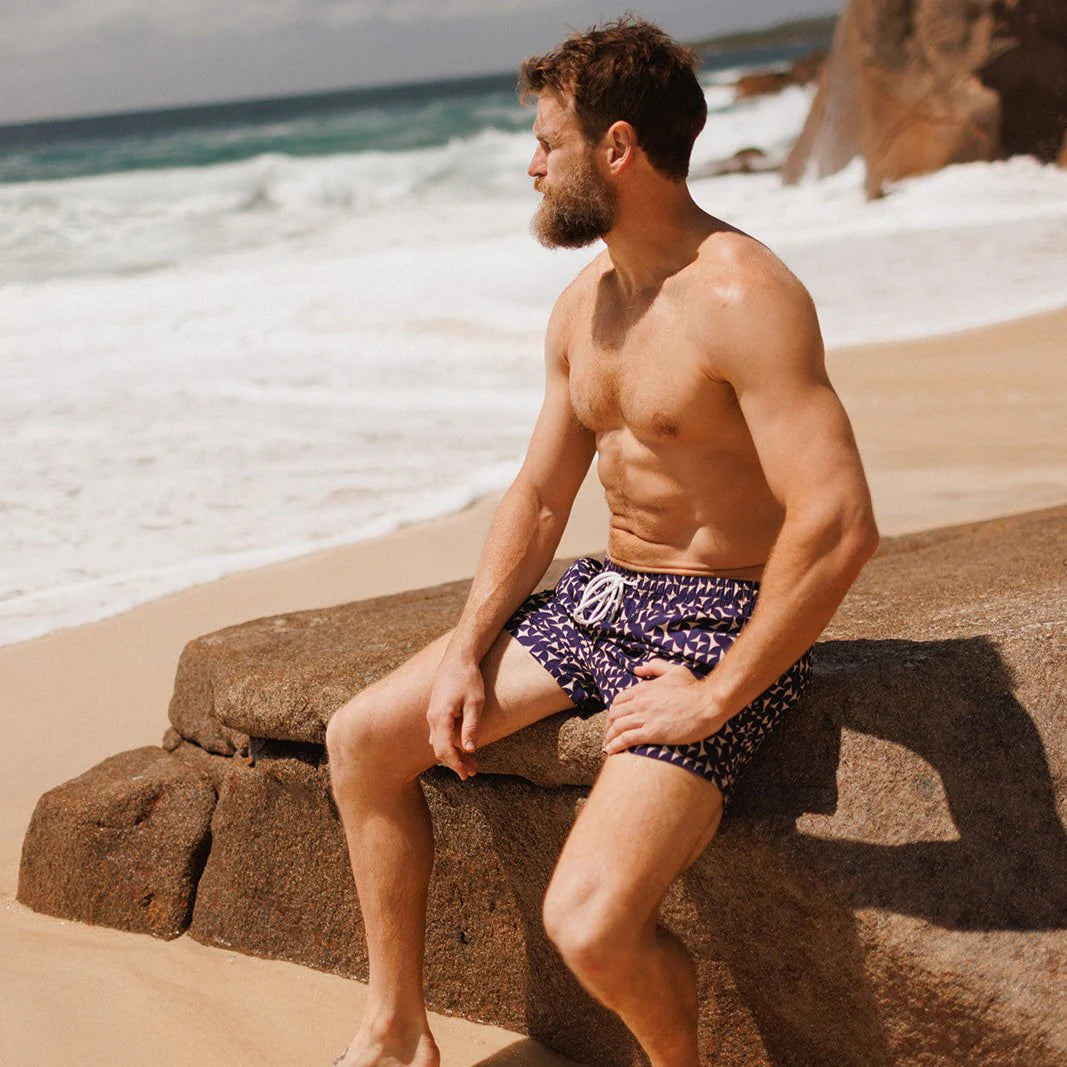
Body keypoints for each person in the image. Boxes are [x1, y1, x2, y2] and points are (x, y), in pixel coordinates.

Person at [326, 17, 878, 1067]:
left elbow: (839, 520)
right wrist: (463, 644)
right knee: (361, 740)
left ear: (615, 147)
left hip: (718, 618)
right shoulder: (584, 303)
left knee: (586, 922)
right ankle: (395, 1028)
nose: (531, 163)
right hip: (605, 595)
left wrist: (717, 695)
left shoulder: (743, 297)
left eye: (548, 141)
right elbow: (539, 494)